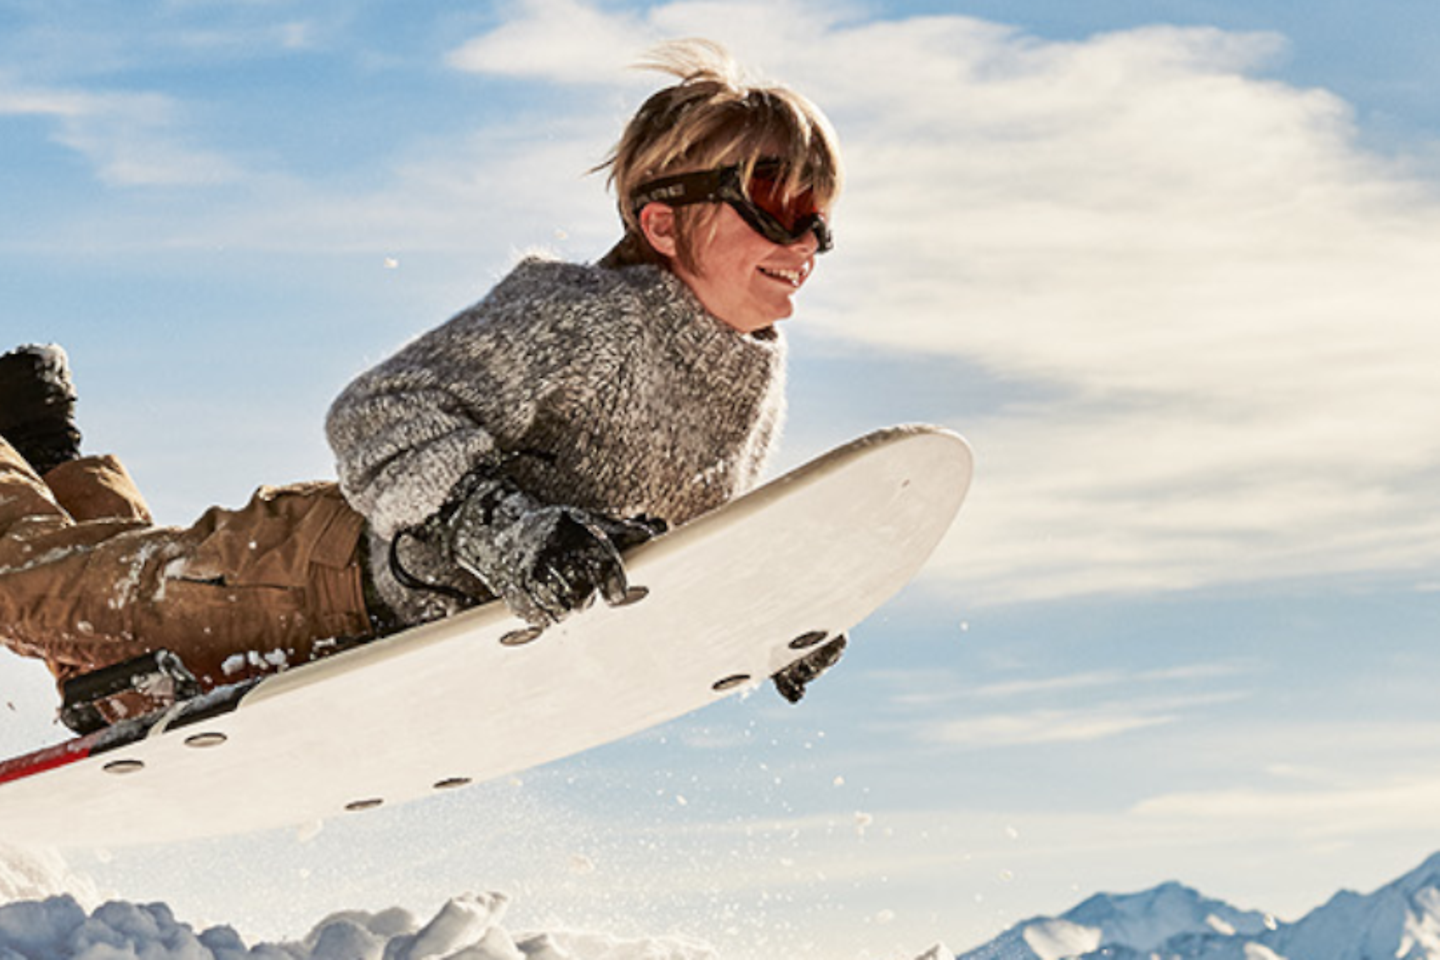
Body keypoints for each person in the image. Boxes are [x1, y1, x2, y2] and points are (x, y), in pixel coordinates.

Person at [0, 40, 845, 732]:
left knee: (94, 644)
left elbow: (666, 551)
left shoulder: (746, 378)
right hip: (309, 576)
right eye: (774, 199)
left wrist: (760, 620)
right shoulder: (583, 316)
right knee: (24, 596)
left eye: (819, 209)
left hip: (368, 629)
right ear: (661, 222)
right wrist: (496, 524)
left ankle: (43, 445)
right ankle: (28, 446)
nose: (805, 235)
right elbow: (376, 413)